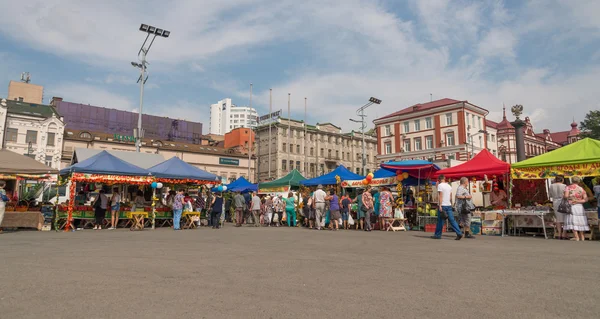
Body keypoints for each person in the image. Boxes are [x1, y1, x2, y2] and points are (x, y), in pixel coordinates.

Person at [432, 175, 463, 240]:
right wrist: (450, 203)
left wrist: (440, 205)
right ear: (444, 179)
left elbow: (441, 195)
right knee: (452, 220)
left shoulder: (440, 185)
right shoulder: (449, 186)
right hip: (448, 205)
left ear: (439, 180)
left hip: (443, 205)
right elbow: (450, 196)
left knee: (440, 221)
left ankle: (437, 235)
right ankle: (459, 233)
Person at [563, 177, 589, 241]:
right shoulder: (581, 189)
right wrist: (578, 201)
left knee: (573, 220)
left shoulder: (568, 187)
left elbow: (566, 196)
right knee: (580, 220)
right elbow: (586, 199)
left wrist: (564, 196)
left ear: (572, 180)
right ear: (579, 181)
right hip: (579, 206)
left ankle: (576, 236)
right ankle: (582, 236)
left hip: (572, 205)